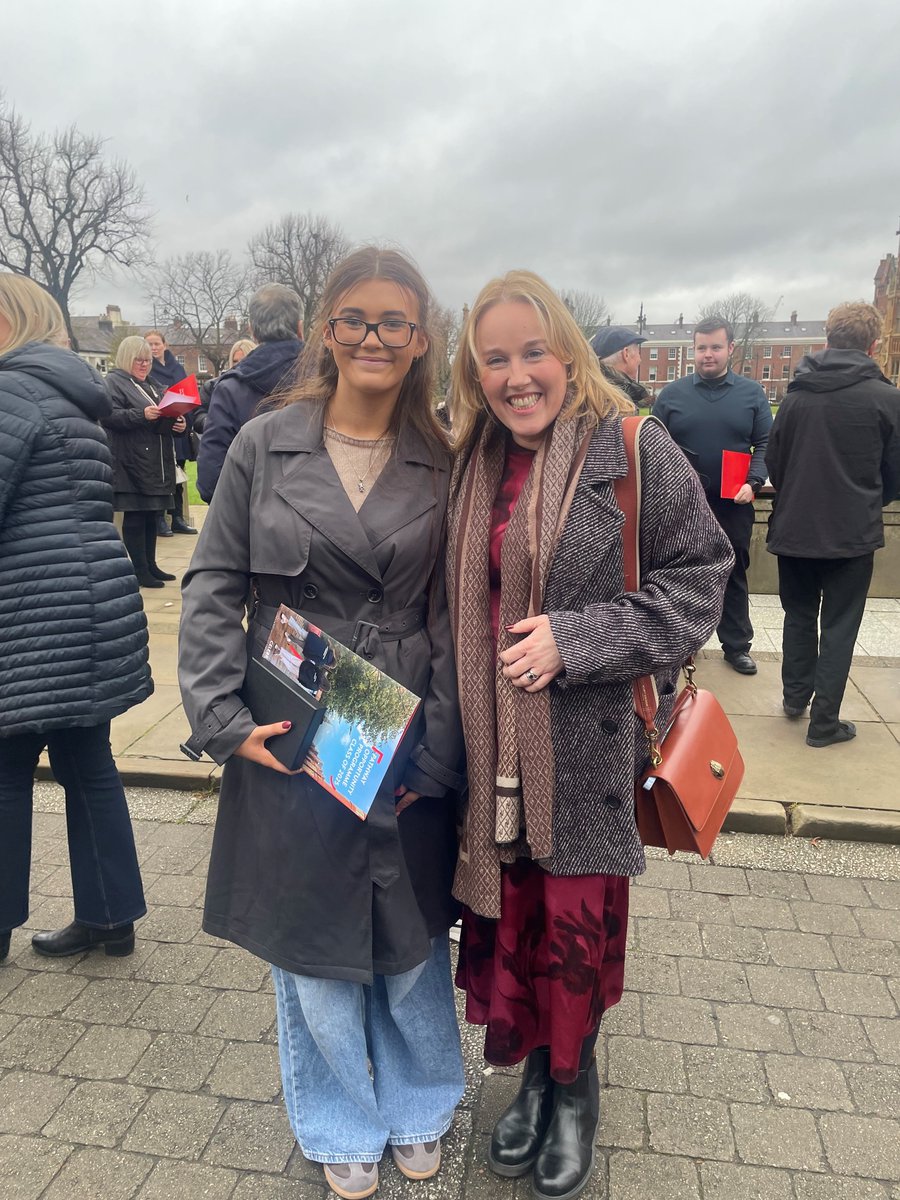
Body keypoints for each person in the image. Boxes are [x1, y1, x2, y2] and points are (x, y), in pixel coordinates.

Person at [178, 248, 466, 1198]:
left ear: (421, 339)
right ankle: (340, 1114)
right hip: (295, 714)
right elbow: (216, 581)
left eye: (395, 322)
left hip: (406, 712)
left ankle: (421, 1095)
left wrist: (446, 736)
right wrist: (218, 714)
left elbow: (458, 607)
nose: (374, 338)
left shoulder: (447, 456)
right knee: (309, 931)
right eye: (355, 319)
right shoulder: (267, 443)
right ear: (325, 330)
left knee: (410, 922)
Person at [447, 271, 732, 1200]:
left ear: (567, 352)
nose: (517, 375)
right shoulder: (474, 458)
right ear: (474, 370)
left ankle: (575, 1087)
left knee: (569, 930)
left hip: (585, 752)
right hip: (493, 755)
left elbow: (702, 578)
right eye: (495, 358)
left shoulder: (632, 446)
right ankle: (533, 1071)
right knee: (515, 923)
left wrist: (579, 638)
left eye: (534, 351)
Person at [0, 275, 151, 964]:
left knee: (5, 766)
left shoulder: (9, 393)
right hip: (91, 604)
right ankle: (110, 917)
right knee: (87, 761)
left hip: (34, 609)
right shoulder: (69, 393)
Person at [766, 301, 900, 747]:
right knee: (840, 626)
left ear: (827, 339)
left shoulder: (797, 395)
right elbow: (895, 474)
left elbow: (775, 461)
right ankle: (824, 723)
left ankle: (793, 696)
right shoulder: (887, 399)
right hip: (851, 533)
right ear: (873, 345)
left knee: (798, 616)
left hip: (794, 528)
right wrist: (867, 500)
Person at [654, 317, 772, 675]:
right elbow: (652, 444)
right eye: (702, 348)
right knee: (678, 573)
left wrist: (754, 481)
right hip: (682, 504)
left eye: (715, 347)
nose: (708, 355)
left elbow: (767, 443)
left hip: (733, 503)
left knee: (733, 570)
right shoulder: (672, 395)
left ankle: (736, 646)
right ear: (695, 349)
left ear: (730, 349)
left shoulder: (751, 394)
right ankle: (680, 645)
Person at [196, 285, 303, 501]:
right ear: (300, 328)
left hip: (251, 522)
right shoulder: (330, 379)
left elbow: (211, 480)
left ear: (252, 331)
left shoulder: (230, 389)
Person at [103, 337, 187, 589]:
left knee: (152, 515)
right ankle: (139, 570)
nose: (144, 365)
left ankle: (151, 565)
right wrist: (140, 415)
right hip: (130, 463)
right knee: (137, 516)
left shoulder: (153, 385)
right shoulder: (114, 383)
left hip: (155, 463)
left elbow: (163, 418)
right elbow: (108, 416)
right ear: (126, 358)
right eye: (138, 360)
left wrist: (179, 425)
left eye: (147, 361)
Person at [146, 329, 197, 536]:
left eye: (157, 343)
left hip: (179, 427)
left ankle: (177, 518)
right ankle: (160, 518)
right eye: (149, 344)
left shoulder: (177, 368)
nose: (154, 348)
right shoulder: (147, 369)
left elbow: (188, 394)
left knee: (179, 476)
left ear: (165, 345)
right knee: (162, 475)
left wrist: (185, 421)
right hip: (159, 429)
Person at [194, 338, 257, 436]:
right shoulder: (212, 387)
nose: (239, 364)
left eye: (244, 360)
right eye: (235, 361)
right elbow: (199, 416)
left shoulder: (265, 385)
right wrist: (210, 422)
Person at [589, 325, 649, 412]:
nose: (640, 359)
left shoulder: (589, 389)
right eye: (638, 353)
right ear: (626, 354)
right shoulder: (621, 402)